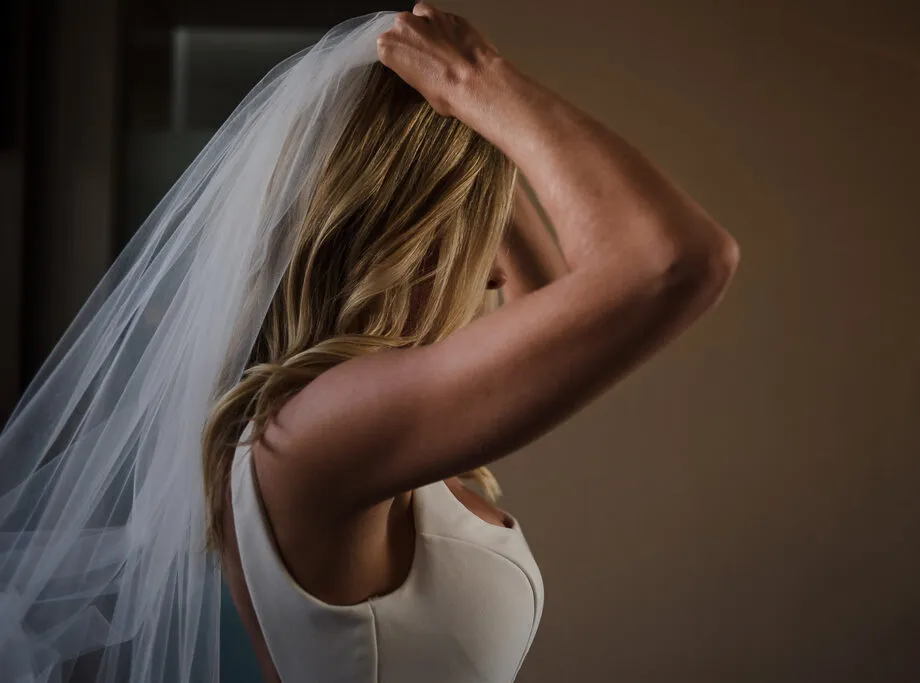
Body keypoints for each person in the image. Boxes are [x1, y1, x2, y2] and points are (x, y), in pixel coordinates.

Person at [0, 5, 738, 683]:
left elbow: (555, 305)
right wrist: (481, 82)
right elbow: (674, 260)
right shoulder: (318, 428)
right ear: (411, 234)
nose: (493, 272)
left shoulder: (344, 416)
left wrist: (477, 130)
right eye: (475, 233)